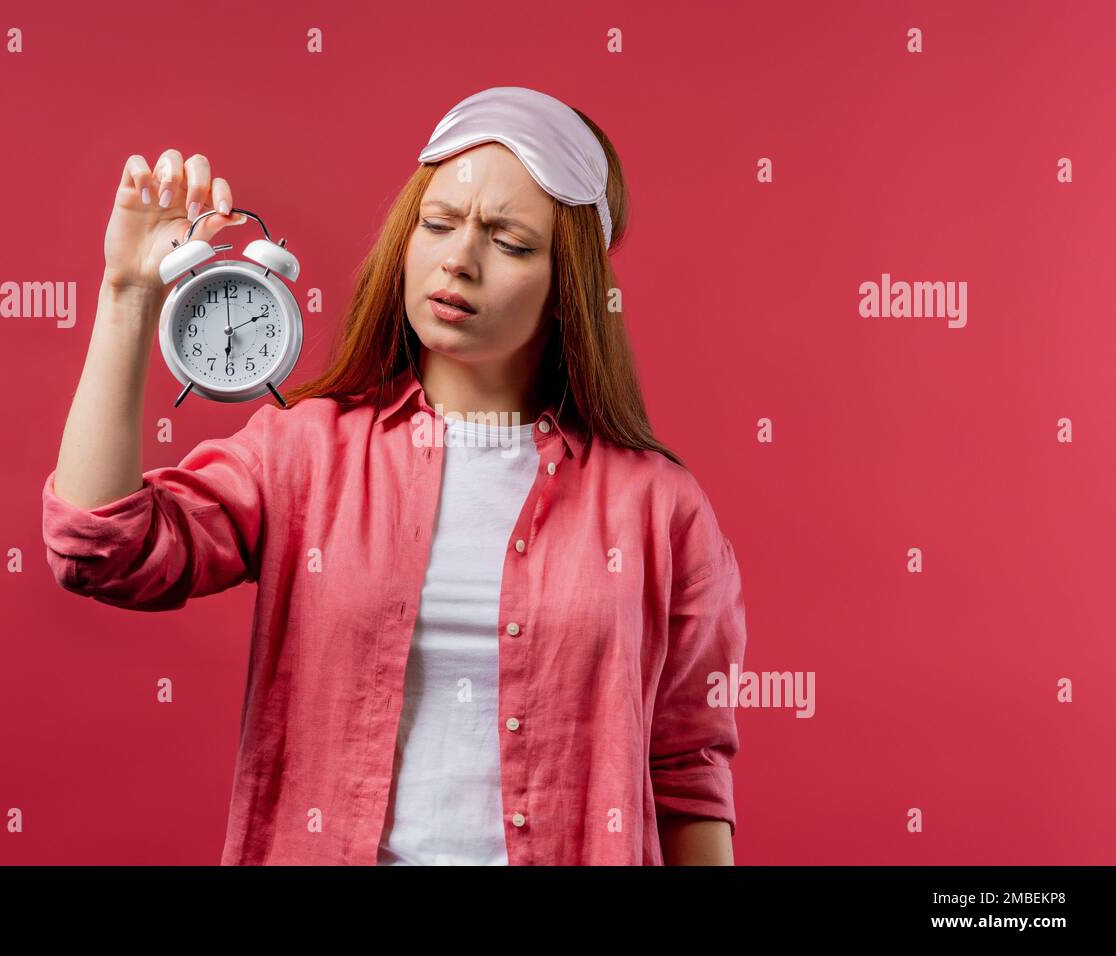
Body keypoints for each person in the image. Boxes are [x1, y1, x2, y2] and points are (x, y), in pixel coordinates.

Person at [42, 86, 748, 866]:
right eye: (438, 223)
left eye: (509, 242)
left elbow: (688, 771)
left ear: (568, 288)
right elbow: (101, 549)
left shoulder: (660, 511)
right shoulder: (307, 454)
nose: (459, 259)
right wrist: (128, 295)